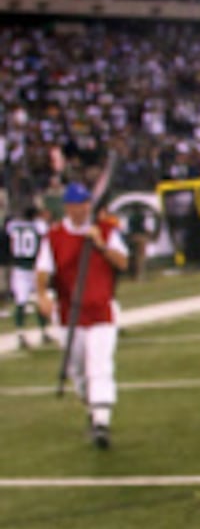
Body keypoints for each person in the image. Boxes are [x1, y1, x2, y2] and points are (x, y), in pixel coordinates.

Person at [37, 180, 129, 447]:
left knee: (99, 365)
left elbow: (122, 262)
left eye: (86, 204)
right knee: (77, 369)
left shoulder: (106, 230)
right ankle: (92, 409)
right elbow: (43, 271)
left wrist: (101, 244)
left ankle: (102, 421)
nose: (82, 209)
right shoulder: (54, 237)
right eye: (77, 205)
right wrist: (42, 295)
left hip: (101, 311)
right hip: (70, 313)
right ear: (68, 207)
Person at [7, 193, 51, 350]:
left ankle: (20, 333)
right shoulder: (39, 226)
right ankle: (44, 331)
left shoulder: (13, 225)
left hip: (19, 268)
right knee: (41, 298)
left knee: (21, 302)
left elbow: (11, 242)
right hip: (33, 267)